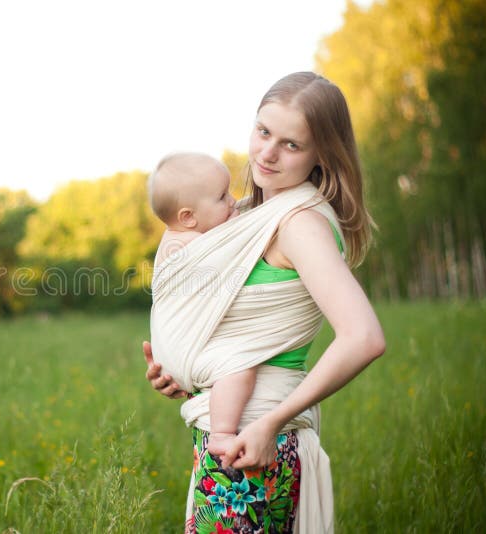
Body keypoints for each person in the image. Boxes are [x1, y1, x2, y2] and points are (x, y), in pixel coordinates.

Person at [143, 71, 385, 534]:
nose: (268, 153)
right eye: (263, 131)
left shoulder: (298, 225)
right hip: (230, 438)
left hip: (254, 443)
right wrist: (185, 370)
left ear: (321, 154)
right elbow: (230, 330)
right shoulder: (248, 220)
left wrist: (272, 421)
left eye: (292, 144)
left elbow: (364, 337)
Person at [148, 152, 254, 458]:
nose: (233, 201)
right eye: (222, 197)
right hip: (182, 349)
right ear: (188, 217)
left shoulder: (186, 235)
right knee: (238, 368)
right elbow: (230, 253)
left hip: (173, 350)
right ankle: (221, 433)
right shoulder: (184, 244)